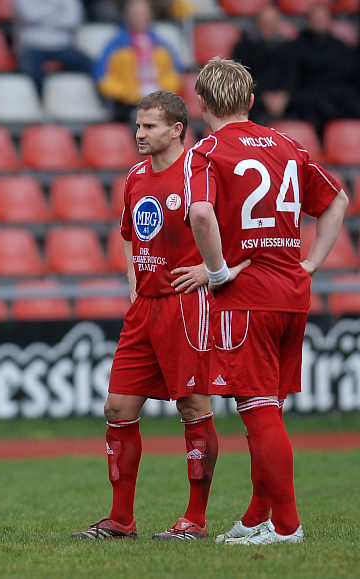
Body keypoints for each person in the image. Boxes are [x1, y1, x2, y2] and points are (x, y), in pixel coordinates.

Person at [185, 57, 349, 545]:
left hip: (248, 295)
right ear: (252, 101)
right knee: (268, 409)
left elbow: (200, 214)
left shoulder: (207, 151)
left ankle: (287, 525)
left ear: (202, 102)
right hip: (292, 293)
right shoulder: (287, 145)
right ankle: (258, 515)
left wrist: (217, 272)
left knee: (257, 411)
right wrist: (312, 262)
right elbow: (337, 200)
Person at [71, 90, 231, 541]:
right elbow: (127, 232)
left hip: (186, 305)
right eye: (138, 125)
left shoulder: (198, 171)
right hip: (144, 307)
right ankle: (121, 520)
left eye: (149, 126)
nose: (139, 134)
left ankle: (195, 520)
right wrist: (132, 278)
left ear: (177, 130)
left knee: (193, 406)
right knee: (117, 407)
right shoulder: (136, 175)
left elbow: (230, 227)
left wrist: (212, 271)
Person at [94, 0, 182, 122]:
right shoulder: (115, 46)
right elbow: (102, 77)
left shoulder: (162, 46)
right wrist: (126, 93)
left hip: (159, 102)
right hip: (126, 105)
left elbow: (175, 75)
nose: (140, 18)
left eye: (143, 14)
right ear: (127, 16)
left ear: (150, 15)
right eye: (135, 14)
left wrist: (161, 91)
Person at [288, 3, 360, 135]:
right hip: (310, 100)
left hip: (339, 99)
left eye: (323, 19)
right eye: (316, 19)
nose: (320, 23)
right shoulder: (297, 47)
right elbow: (293, 78)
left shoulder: (341, 48)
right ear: (309, 21)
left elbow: (351, 75)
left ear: (330, 21)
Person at [231, 4, 296, 126]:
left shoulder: (289, 47)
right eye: (265, 22)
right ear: (258, 22)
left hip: (284, 102)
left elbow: (293, 75)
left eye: (272, 22)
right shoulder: (244, 47)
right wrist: (263, 96)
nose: (269, 26)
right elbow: (240, 78)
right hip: (253, 100)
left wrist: (284, 96)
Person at [13, 0, 92, 87]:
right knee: (29, 69)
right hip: (33, 46)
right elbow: (30, 16)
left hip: (63, 46)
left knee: (88, 64)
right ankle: (40, 93)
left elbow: (73, 21)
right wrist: (57, 12)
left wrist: (43, 16)